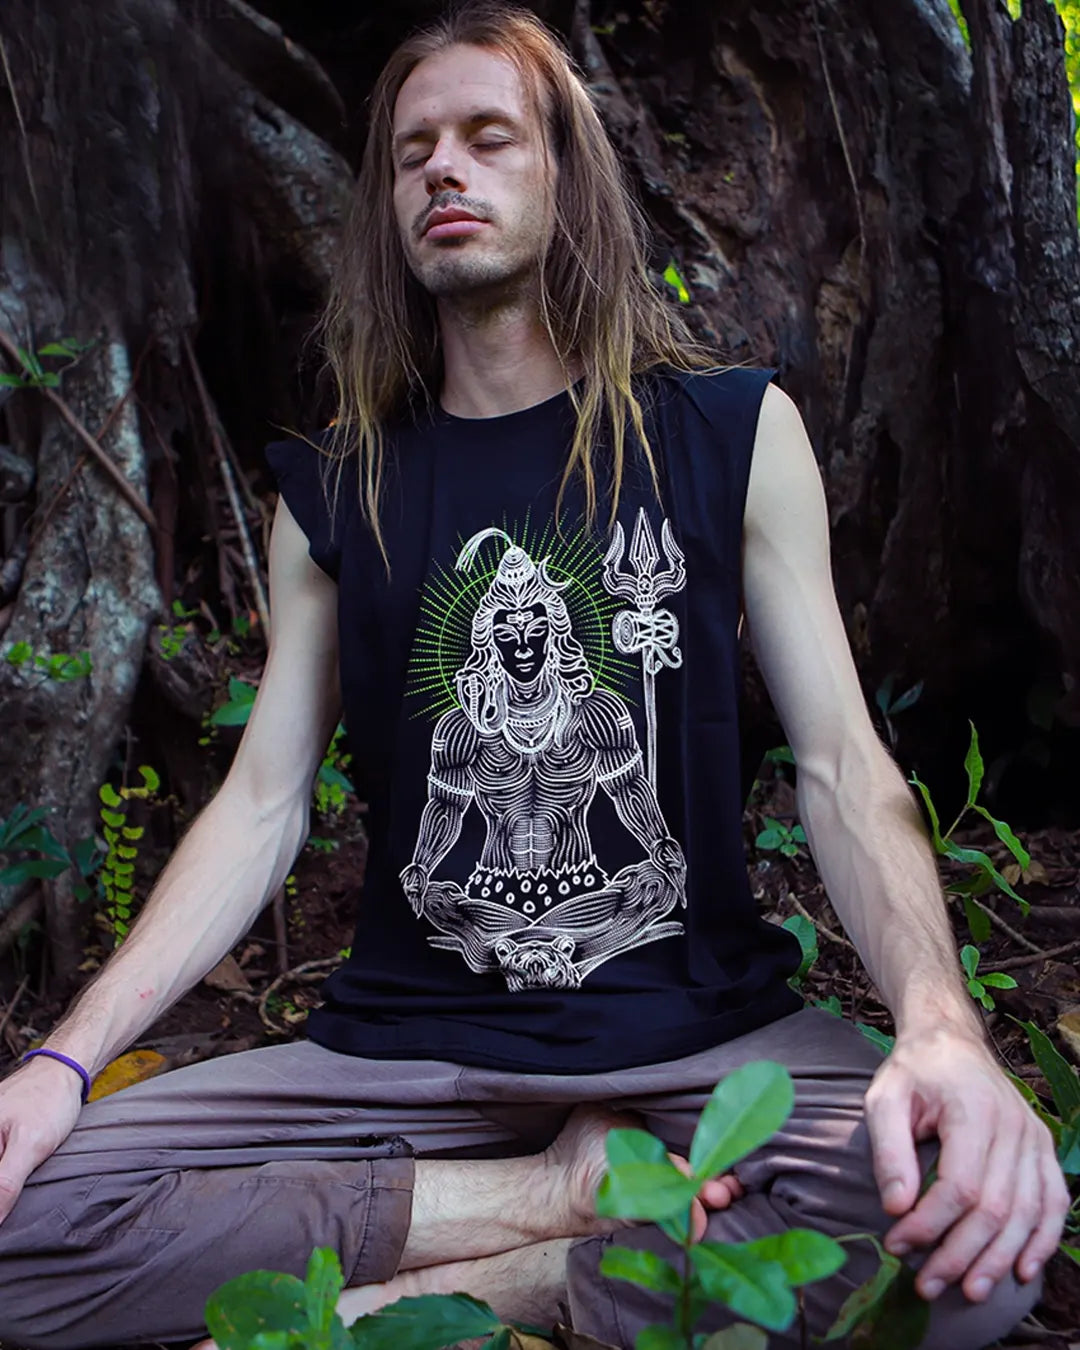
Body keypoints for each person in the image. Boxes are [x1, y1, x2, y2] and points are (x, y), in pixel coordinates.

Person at [0, 6, 1067, 1348]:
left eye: (489, 136)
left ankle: (462, 1292)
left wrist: (944, 1027)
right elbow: (262, 805)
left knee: (969, 1252)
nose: (445, 169)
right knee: (17, 1223)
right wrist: (61, 1060)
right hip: (401, 1057)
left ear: (567, 176)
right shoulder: (339, 490)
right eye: (413, 152)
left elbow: (848, 768)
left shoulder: (729, 434)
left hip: (696, 1039)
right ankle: (546, 1194)